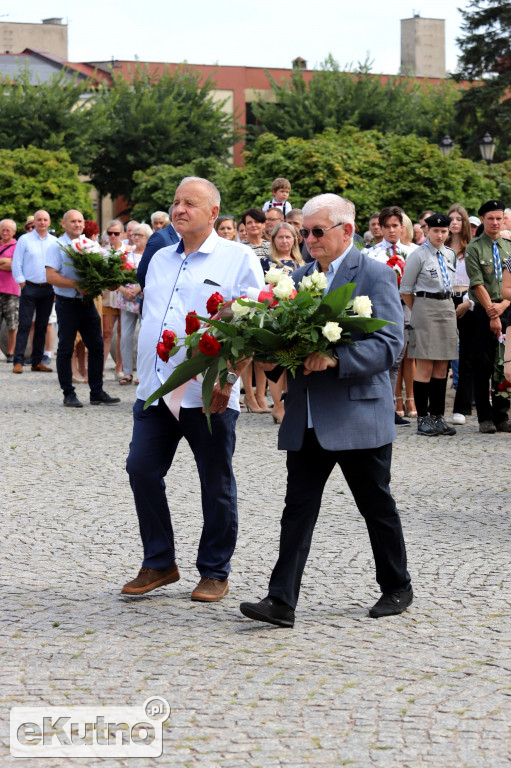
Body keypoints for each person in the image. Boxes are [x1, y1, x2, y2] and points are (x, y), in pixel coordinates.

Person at [240, 193, 411, 628]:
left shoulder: (373, 274)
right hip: (308, 416)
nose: (309, 239)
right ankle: (280, 601)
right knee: (297, 509)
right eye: (305, 232)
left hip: (357, 416)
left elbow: (390, 344)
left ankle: (397, 586)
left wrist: (337, 358)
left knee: (376, 507)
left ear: (346, 231)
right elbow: (288, 342)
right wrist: (268, 351)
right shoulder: (297, 277)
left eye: (318, 232)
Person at [122, 176, 264, 601]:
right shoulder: (161, 257)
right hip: (155, 390)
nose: (180, 209)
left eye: (191, 203)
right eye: (176, 202)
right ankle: (160, 562)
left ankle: (215, 570)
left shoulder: (237, 259)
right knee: (141, 469)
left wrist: (229, 378)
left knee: (214, 482)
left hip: (209, 394)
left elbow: (255, 325)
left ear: (214, 213)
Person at [45, 209, 121, 408]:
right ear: (64, 224)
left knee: (96, 347)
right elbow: (51, 276)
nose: (78, 224)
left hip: (87, 303)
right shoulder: (57, 246)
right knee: (65, 348)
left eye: (80, 221)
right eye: (73, 221)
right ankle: (68, 393)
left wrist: (108, 281)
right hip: (67, 303)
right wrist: (75, 284)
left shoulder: (92, 245)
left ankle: (97, 391)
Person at [400, 213, 458, 436]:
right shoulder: (418, 255)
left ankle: (438, 416)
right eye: (436, 231)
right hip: (424, 306)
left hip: (447, 307)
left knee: (442, 366)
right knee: (424, 365)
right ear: (427, 231)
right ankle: (423, 418)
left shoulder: (450, 254)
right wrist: (420, 310)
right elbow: (406, 290)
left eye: (444, 231)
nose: (440, 235)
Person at [465, 199, 511, 433]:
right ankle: (484, 417)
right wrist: (493, 312)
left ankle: (502, 415)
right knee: (482, 364)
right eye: (490, 218)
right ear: (482, 220)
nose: (495, 222)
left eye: (499, 218)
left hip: (507, 309)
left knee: (505, 364)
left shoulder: (509, 247)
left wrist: (503, 306)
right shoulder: (474, 247)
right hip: (483, 312)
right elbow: (477, 283)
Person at [263, 222, 305, 423]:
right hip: (273, 314)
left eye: (289, 237)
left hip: (294, 316)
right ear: (273, 240)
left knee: (291, 361)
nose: (285, 241)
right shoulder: (266, 263)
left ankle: (290, 402)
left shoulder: (302, 264)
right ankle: (277, 406)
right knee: (274, 361)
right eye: (281, 237)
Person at [11, 210, 56, 373]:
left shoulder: (54, 242)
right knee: (24, 324)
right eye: (39, 220)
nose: (42, 222)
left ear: (49, 222)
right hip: (29, 286)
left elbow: (57, 265)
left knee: (42, 326)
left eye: (45, 219)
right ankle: (18, 361)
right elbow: (17, 262)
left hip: (48, 288)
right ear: (34, 222)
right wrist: (22, 283)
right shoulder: (24, 240)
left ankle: (37, 361)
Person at [446, 203, 474, 425]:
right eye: (451, 218)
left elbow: (479, 280)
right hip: (443, 300)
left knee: (465, 355)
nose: (454, 222)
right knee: (439, 354)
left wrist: (467, 302)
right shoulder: (439, 247)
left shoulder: (471, 248)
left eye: (458, 218)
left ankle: (462, 407)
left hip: (467, 300)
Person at [117, 223, 152, 385]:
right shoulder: (124, 253)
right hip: (127, 299)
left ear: (148, 238)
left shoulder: (152, 255)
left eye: (140, 235)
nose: (136, 237)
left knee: (145, 336)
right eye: (134, 234)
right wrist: (123, 290)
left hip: (145, 298)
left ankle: (143, 372)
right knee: (126, 336)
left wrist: (139, 289)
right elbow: (114, 275)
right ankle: (127, 372)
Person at [102, 220, 125, 378]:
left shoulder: (127, 251)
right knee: (106, 332)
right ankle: (101, 367)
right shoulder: (102, 251)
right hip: (108, 295)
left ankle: (119, 367)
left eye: (116, 233)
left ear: (122, 234)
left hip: (124, 295)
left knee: (122, 333)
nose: (113, 236)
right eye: (110, 233)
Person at [137, 208, 179, 290]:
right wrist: (152, 294)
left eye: (161, 223)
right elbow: (143, 272)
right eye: (156, 223)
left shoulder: (186, 236)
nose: (158, 226)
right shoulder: (160, 237)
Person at [0, 219, 20, 362]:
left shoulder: (17, 246)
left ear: (14, 232)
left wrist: (9, 263)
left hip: (11, 291)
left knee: (12, 324)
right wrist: (6, 261)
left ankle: (11, 352)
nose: (5, 232)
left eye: (8, 230)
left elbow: (15, 265)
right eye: (3, 229)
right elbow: (8, 264)